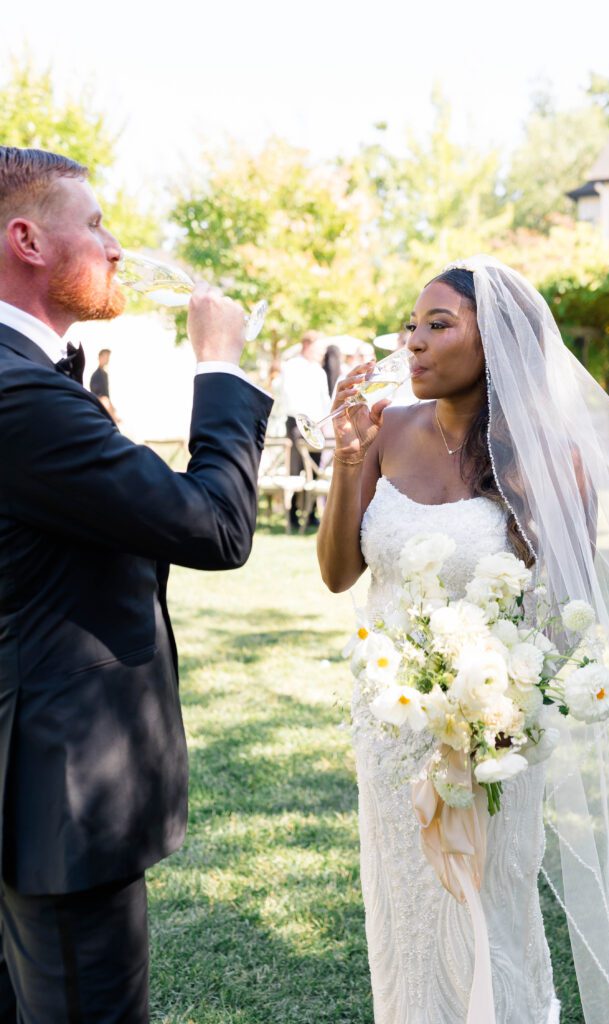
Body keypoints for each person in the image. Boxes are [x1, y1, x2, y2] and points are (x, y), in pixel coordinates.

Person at [317, 256, 609, 1024]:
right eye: (410, 325)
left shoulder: (556, 462)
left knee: (493, 919)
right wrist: (348, 458)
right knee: (407, 921)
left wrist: (497, 709)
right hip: (392, 733)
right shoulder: (382, 431)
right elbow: (337, 572)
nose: (413, 342)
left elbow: (562, 625)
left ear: (500, 345)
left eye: (439, 325)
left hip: (496, 740)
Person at [0, 146, 272, 1023]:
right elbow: (214, 528)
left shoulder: (34, 380)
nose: (118, 246)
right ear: (27, 240)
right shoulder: (21, 395)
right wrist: (221, 366)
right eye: (97, 223)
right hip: (62, 796)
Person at [281, 330, 329, 529]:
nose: (322, 353)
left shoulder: (319, 371)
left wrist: (323, 421)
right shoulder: (292, 366)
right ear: (308, 345)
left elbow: (324, 398)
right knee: (295, 469)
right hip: (297, 423)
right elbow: (289, 396)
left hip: (317, 424)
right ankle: (292, 513)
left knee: (315, 469)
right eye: (319, 348)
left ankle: (310, 513)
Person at [89, 346, 119, 420]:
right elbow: (98, 395)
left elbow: (106, 393)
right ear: (100, 357)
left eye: (108, 357)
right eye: (105, 357)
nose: (107, 359)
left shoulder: (104, 374)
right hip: (99, 403)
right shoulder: (96, 374)